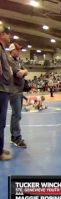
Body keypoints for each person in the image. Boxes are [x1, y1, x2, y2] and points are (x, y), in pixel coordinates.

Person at [8, 43, 28, 148]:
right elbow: (19, 74)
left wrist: (24, 71)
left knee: (17, 114)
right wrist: (24, 72)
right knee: (17, 114)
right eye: (17, 50)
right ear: (12, 50)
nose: (19, 51)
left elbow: (25, 71)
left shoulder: (18, 60)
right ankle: (16, 137)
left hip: (19, 90)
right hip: (14, 90)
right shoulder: (10, 60)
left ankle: (14, 136)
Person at [0, 24, 13, 160]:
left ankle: (0, 148)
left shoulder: (3, 49)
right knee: (0, 122)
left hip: (3, 89)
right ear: (1, 35)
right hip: (1, 90)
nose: (9, 36)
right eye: (7, 33)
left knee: (1, 123)